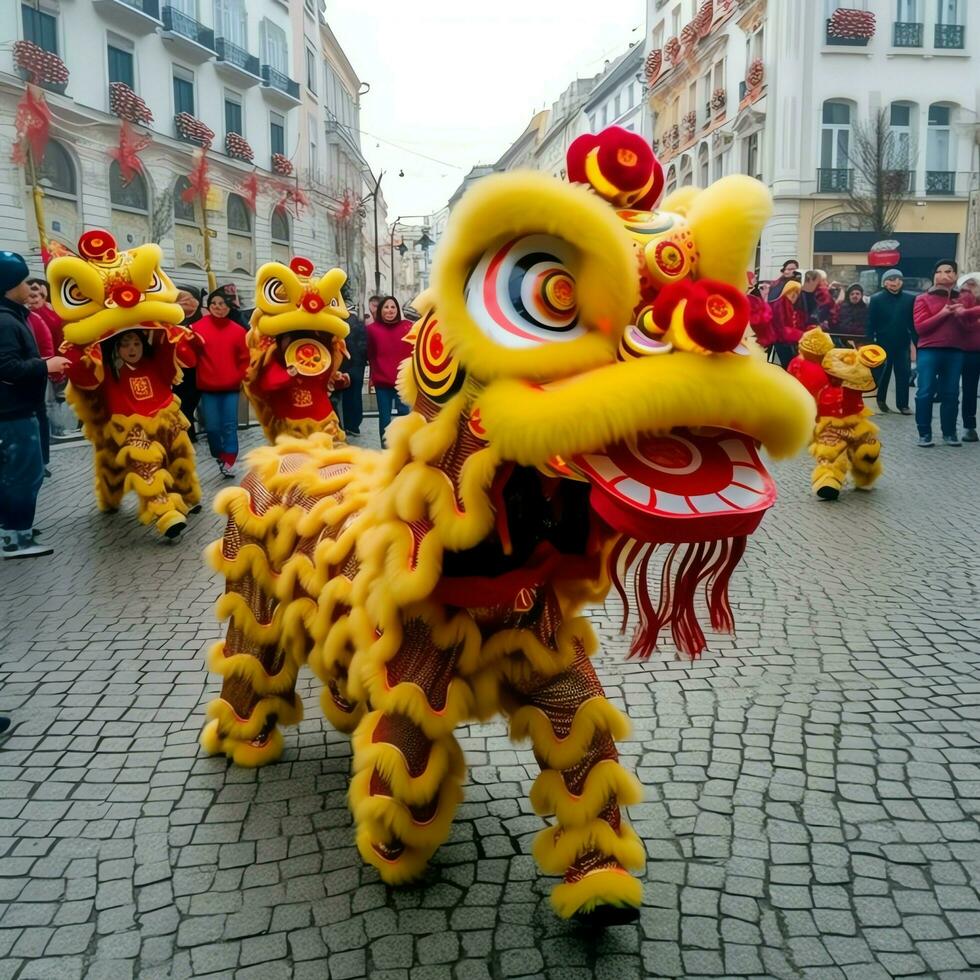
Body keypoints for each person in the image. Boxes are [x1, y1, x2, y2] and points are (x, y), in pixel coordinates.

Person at [64, 328, 202, 537]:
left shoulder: (154, 361)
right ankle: (163, 512)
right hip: (127, 423)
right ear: (116, 347)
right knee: (144, 463)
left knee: (180, 453)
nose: (132, 349)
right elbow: (82, 375)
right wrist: (78, 346)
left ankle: (184, 494)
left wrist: (170, 329)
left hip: (164, 414)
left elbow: (178, 355)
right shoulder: (106, 369)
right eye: (126, 344)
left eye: (137, 343)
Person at [0, 251, 70, 557]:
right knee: (24, 475)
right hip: (13, 414)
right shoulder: (5, 321)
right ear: (10, 284)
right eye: (25, 281)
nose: (31, 287)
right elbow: (7, 368)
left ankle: (15, 531)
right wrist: (46, 365)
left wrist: (42, 363)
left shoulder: (13, 315)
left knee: (21, 474)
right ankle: (16, 539)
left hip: (17, 410)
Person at [788, 328, 884, 501]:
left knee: (868, 448)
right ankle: (828, 481)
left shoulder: (845, 360)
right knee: (830, 452)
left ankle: (864, 470)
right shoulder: (801, 365)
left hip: (854, 415)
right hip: (829, 420)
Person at [912, 260, 980, 447]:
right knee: (925, 392)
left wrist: (962, 314)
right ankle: (924, 433)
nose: (944, 275)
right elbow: (920, 328)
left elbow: (969, 328)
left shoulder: (964, 299)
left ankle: (949, 433)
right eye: (940, 271)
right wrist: (943, 313)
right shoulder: (922, 298)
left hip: (955, 351)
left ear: (956, 275)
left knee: (951, 394)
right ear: (934, 276)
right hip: (929, 350)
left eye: (949, 271)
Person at [193, 288, 250, 476]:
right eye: (214, 303)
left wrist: (241, 376)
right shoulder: (196, 328)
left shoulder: (238, 331)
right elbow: (190, 355)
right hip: (208, 387)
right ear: (209, 306)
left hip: (231, 387)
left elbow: (244, 358)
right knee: (212, 426)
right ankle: (218, 453)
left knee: (229, 425)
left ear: (229, 307)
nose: (218, 307)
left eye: (222, 304)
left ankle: (230, 457)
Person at [866, 270, 915, 415]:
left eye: (899, 279)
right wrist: (870, 341)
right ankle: (880, 401)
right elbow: (870, 322)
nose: (896, 282)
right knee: (883, 374)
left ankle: (903, 404)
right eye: (892, 279)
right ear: (885, 282)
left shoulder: (909, 299)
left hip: (902, 342)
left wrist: (915, 342)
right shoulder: (876, 299)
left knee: (903, 374)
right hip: (882, 342)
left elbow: (913, 323)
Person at [366, 296, 412, 446]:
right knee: (384, 418)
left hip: (403, 381)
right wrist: (373, 376)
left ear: (398, 309)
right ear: (380, 310)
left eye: (393, 307)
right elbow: (370, 354)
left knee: (404, 416)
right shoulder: (372, 330)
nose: (390, 310)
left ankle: (404, 448)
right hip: (382, 382)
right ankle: (385, 450)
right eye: (386, 307)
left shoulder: (408, 326)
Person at [25, 279, 55, 473]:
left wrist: (47, 366)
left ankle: (42, 461)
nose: (32, 299)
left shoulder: (35, 318)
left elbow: (46, 346)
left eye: (36, 295)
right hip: (25, 377)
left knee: (39, 417)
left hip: (34, 377)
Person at [173, 286, 203, 442]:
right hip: (175, 371)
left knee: (186, 407)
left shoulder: (199, 321)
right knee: (179, 406)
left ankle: (188, 436)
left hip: (192, 372)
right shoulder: (171, 318)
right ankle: (184, 435)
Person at [957, 272, 980, 441]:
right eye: (969, 284)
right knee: (970, 389)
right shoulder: (963, 299)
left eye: (974, 284)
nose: (971, 288)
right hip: (969, 351)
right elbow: (962, 319)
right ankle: (969, 426)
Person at [770, 278, 806, 368]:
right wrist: (803, 335)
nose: (794, 295)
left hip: (792, 343)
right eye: (791, 291)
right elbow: (782, 330)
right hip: (782, 343)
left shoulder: (796, 308)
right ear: (785, 291)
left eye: (797, 292)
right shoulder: (779, 306)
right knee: (788, 366)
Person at [834, 283, 868, 349]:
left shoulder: (866, 309)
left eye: (857, 294)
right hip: (842, 342)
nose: (855, 296)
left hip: (861, 343)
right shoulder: (841, 308)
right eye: (852, 294)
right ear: (849, 296)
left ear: (861, 296)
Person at [747, 281, 775, 352]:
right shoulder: (755, 299)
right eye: (763, 287)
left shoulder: (767, 300)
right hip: (758, 338)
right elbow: (755, 320)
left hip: (766, 339)